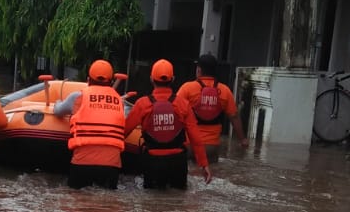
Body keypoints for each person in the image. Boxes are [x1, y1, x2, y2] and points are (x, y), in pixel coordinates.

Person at [124, 59, 212, 190]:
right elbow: (196, 138)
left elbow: (124, 131)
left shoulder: (142, 104)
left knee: (151, 201)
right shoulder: (183, 104)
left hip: (152, 162)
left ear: (151, 79)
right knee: (177, 199)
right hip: (177, 163)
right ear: (173, 79)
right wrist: (204, 164)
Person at [53, 60, 125, 189]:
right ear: (111, 82)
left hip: (82, 163)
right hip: (111, 166)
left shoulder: (78, 96)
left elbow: (58, 111)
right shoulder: (119, 101)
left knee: (77, 199)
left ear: (88, 80)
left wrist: (57, 101)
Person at [175, 52, 248, 160]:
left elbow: (174, 113)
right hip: (211, 148)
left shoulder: (187, 88)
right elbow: (234, 117)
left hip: (190, 146)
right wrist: (243, 140)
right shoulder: (225, 91)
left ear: (199, 70)